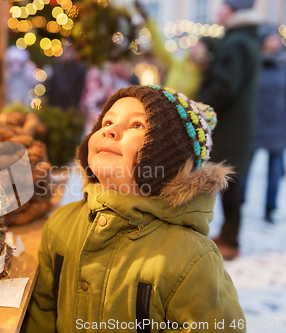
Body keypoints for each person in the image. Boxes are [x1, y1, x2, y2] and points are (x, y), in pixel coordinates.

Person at [21, 85, 245, 333]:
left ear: (167, 157)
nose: (110, 130)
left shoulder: (193, 259)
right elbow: (42, 311)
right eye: (106, 122)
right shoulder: (61, 224)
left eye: (137, 125)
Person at [197, 0, 261, 260]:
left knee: (230, 186)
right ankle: (227, 235)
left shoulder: (235, 43)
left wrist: (198, 106)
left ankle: (231, 242)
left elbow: (225, 83)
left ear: (234, 10)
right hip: (238, 127)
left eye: (222, 6)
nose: (217, 11)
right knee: (231, 185)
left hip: (229, 127)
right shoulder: (245, 39)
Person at [252, 27, 286, 222]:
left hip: (279, 125)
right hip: (255, 123)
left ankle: (270, 208)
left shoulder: (283, 65)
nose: (274, 43)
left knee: (275, 171)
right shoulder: (254, 64)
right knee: (245, 169)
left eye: (276, 39)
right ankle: (240, 202)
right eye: (270, 39)